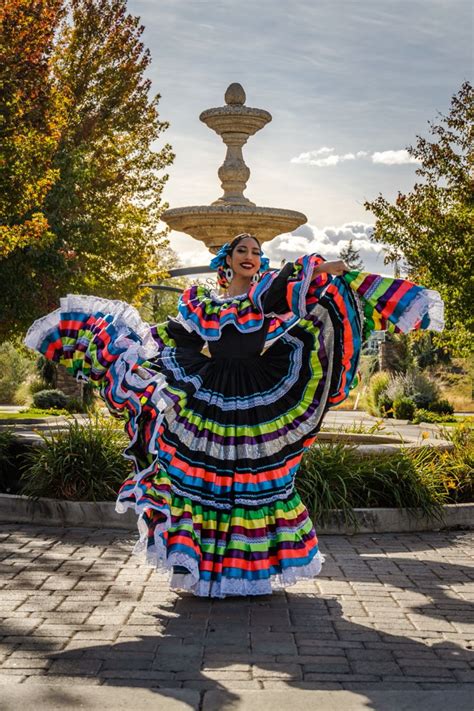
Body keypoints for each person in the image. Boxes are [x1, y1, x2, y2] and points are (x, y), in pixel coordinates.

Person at [24, 233, 444, 598]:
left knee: (254, 481)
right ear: (226, 261)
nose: (251, 256)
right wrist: (129, 353)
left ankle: (251, 575)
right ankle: (205, 574)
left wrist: (322, 271)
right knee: (203, 481)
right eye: (242, 250)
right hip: (210, 398)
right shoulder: (200, 304)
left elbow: (325, 271)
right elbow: (170, 339)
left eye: (257, 251)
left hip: (260, 395)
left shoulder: (269, 294)